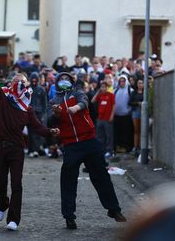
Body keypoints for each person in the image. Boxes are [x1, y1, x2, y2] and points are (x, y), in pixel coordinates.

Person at [0, 43, 59, 231]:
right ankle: (3, 203)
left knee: (17, 183)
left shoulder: (28, 109)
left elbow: (37, 127)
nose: (18, 82)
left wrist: (50, 132)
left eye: (22, 80)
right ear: (12, 84)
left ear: (27, 85)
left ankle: (13, 219)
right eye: (15, 79)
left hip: (16, 148)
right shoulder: (4, 97)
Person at [48, 72, 126, 230]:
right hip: (70, 144)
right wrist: (56, 115)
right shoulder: (54, 101)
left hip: (89, 141)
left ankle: (114, 209)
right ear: (57, 83)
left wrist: (75, 108)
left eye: (66, 79)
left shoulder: (77, 93)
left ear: (71, 82)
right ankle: (69, 217)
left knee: (101, 176)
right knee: (68, 180)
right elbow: (49, 121)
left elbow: (85, 102)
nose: (64, 82)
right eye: (61, 80)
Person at [92, 81, 116, 158]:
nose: (103, 88)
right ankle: (101, 150)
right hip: (100, 118)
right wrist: (98, 91)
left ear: (107, 87)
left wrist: (112, 116)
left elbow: (114, 105)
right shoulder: (100, 95)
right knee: (100, 136)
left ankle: (109, 151)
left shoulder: (111, 95)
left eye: (105, 87)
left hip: (107, 119)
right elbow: (92, 101)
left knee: (109, 136)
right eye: (102, 87)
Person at [28, 72, 48, 158]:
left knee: (38, 132)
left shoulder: (42, 89)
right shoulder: (28, 89)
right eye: (33, 80)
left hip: (39, 114)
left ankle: (36, 150)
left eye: (35, 80)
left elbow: (45, 103)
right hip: (30, 113)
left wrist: (43, 114)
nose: (34, 82)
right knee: (31, 132)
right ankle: (31, 150)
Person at [114, 75, 134, 153]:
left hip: (126, 116)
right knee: (118, 132)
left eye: (123, 81)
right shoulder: (115, 90)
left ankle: (127, 147)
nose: (122, 83)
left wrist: (129, 111)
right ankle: (119, 147)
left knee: (126, 133)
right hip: (117, 116)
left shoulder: (130, 90)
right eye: (120, 81)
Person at [129, 79, 144, 155]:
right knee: (136, 130)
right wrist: (138, 103)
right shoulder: (133, 93)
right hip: (135, 111)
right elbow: (130, 103)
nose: (140, 85)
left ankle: (141, 146)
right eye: (139, 83)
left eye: (141, 83)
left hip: (143, 113)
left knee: (142, 130)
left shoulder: (145, 92)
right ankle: (135, 146)